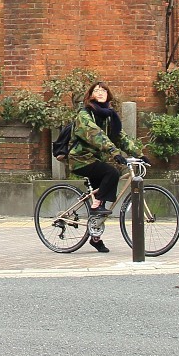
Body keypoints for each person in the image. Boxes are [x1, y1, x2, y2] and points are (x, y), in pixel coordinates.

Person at [60, 81, 131, 253]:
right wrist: (115, 153)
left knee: (104, 192)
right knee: (112, 173)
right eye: (96, 90)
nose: (100, 92)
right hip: (79, 159)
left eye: (103, 90)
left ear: (108, 95)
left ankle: (95, 236)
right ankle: (95, 208)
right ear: (90, 95)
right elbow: (96, 135)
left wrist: (140, 154)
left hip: (94, 159)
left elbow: (121, 137)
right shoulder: (84, 115)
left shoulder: (109, 117)